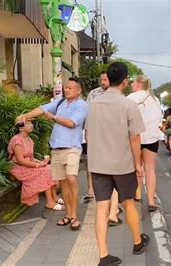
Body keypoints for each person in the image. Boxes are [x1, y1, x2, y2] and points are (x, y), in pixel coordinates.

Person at [86, 62, 150, 266]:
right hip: (122, 165)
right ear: (125, 81)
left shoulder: (94, 104)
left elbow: (88, 133)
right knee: (128, 203)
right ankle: (138, 242)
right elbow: (134, 138)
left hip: (98, 165)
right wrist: (138, 165)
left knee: (102, 208)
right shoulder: (128, 105)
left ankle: (104, 255)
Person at [17, 77, 87, 231]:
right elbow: (42, 109)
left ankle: (74, 216)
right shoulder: (60, 102)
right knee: (63, 183)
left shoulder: (82, 105)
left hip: (72, 148)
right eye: (66, 87)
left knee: (71, 178)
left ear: (79, 90)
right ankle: (68, 214)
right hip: (56, 148)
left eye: (70, 87)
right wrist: (25, 116)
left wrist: (54, 117)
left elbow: (71, 123)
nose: (66, 90)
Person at [85, 71, 122, 226]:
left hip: (113, 138)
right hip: (97, 136)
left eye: (105, 79)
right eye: (101, 79)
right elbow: (88, 114)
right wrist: (87, 133)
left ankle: (111, 210)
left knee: (112, 173)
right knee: (96, 168)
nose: (103, 82)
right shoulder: (94, 94)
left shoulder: (119, 95)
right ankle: (93, 192)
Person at [8, 118, 64, 210]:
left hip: (28, 164)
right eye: (28, 123)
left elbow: (31, 158)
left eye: (31, 123)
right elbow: (21, 160)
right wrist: (38, 165)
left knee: (50, 168)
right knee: (45, 171)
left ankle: (54, 197)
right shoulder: (17, 140)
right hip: (18, 167)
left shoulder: (29, 139)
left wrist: (41, 162)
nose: (32, 125)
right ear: (21, 128)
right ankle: (50, 202)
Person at [127, 75, 163, 212]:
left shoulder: (131, 98)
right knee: (150, 169)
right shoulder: (155, 99)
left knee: (137, 167)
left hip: (136, 137)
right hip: (152, 138)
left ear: (138, 84)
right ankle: (151, 200)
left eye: (133, 82)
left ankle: (137, 194)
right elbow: (160, 117)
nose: (131, 84)